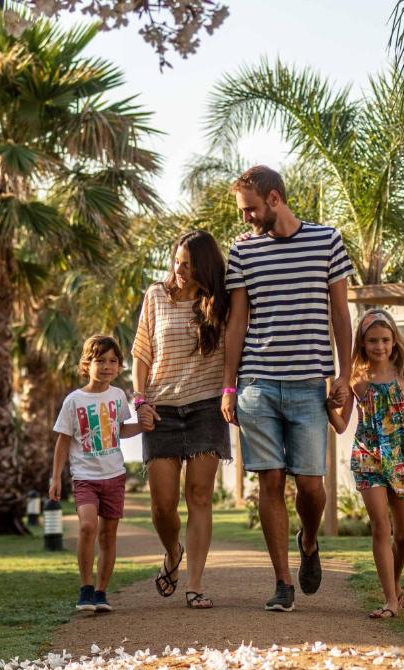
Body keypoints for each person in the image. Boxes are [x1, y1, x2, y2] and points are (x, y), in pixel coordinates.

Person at [221, 165, 353, 612]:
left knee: (312, 487)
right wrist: (228, 385)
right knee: (271, 481)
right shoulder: (242, 252)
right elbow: (237, 321)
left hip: (308, 384)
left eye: (251, 209)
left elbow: (341, 315)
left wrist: (344, 375)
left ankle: (309, 540)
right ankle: (282, 582)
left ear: (274, 199)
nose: (246, 219)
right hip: (257, 383)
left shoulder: (326, 241)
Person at [131, 230, 231, 610]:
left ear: (204, 266)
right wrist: (140, 400)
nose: (179, 270)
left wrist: (229, 393)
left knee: (199, 497)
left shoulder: (220, 303)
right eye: (176, 262)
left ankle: (195, 584)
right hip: (161, 409)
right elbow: (142, 352)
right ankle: (173, 550)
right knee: (162, 505)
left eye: (188, 265)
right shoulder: (156, 295)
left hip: (207, 408)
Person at [327, 309, 404, 619]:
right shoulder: (356, 379)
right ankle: (390, 599)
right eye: (372, 341)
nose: (379, 346)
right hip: (369, 456)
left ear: (394, 341)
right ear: (363, 344)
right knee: (382, 526)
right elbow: (341, 426)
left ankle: (395, 583)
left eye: (385, 340)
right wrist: (327, 405)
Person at [50, 335, 153, 613]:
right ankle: (85, 588)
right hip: (84, 477)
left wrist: (143, 426)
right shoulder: (74, 400)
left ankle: (101, 592)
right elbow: (62, 440)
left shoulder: (119, 396)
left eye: (112, 361)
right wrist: (55, 477)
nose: (107, 366)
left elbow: (121, 431)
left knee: (108, 535)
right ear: (87, 364)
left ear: (119, 367)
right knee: (87, 527)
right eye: (100, 361)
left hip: (114, 476)